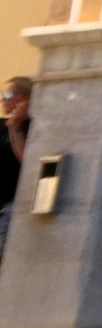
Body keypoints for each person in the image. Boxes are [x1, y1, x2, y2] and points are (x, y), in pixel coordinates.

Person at [0, 76, 31, 256]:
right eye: (2, 94)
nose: (3, 98)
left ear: (27, 98)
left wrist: (15, 128)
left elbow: (28, 163)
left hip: (12, 208)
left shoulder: (34, 128)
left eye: (9, 94)